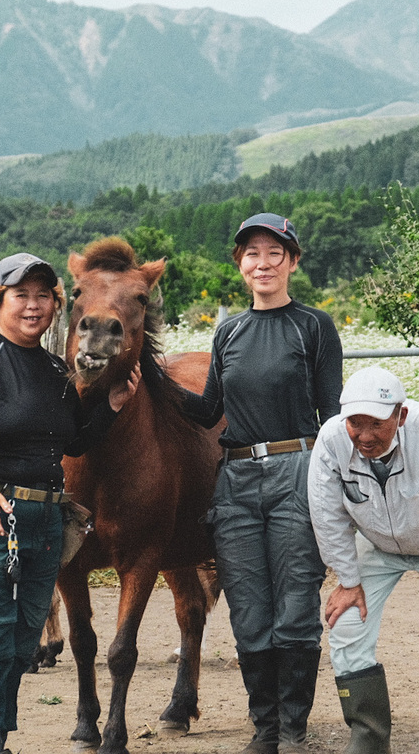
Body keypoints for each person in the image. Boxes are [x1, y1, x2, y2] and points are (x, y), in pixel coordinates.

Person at [0, 252, 139, 754]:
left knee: (25, 635)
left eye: (43, 295)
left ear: (55, 306)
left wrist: (111, 409)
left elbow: (72, 443)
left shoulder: (55, 371)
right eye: (21, 295)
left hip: (46, 517)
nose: (33, 305)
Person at [181, 212, 343, 754]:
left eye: (275, 253)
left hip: (297, 469)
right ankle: (265, 728)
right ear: (240, 266)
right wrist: (152, 382)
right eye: (253, 253)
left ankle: (294, 727)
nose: (263, 263)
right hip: (237, 480)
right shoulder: (228, 330)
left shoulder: (313, 326)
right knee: (248, 609)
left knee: (296, 604)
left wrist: (337, 489)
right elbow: (208, 412)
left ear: (292, 262)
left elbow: (333, 415)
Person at [307, 366, 419, 754]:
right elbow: (326, 514)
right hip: (377, 544)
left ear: (401, 416)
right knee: (345, 625)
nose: (365, 436)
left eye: (377, 424)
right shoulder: (331, 440)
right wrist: (348, 581)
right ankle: (367, 737)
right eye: (356, 423)